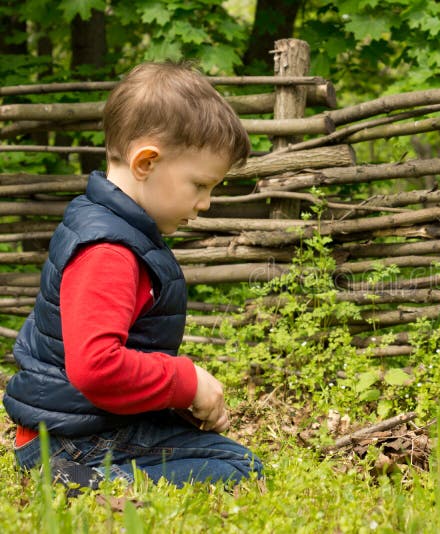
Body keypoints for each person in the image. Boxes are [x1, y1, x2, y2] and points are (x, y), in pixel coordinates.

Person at [3, 61, 263, 490]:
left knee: (228, 456)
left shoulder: (112, 228)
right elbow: (96, 368)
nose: (207, 203)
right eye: (200, 185)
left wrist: (177, 403)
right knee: (238, 469)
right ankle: (88, 481)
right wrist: (186, 381)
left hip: (78, 425)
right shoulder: (109, 251)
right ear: (146, 162)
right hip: (69, 441)